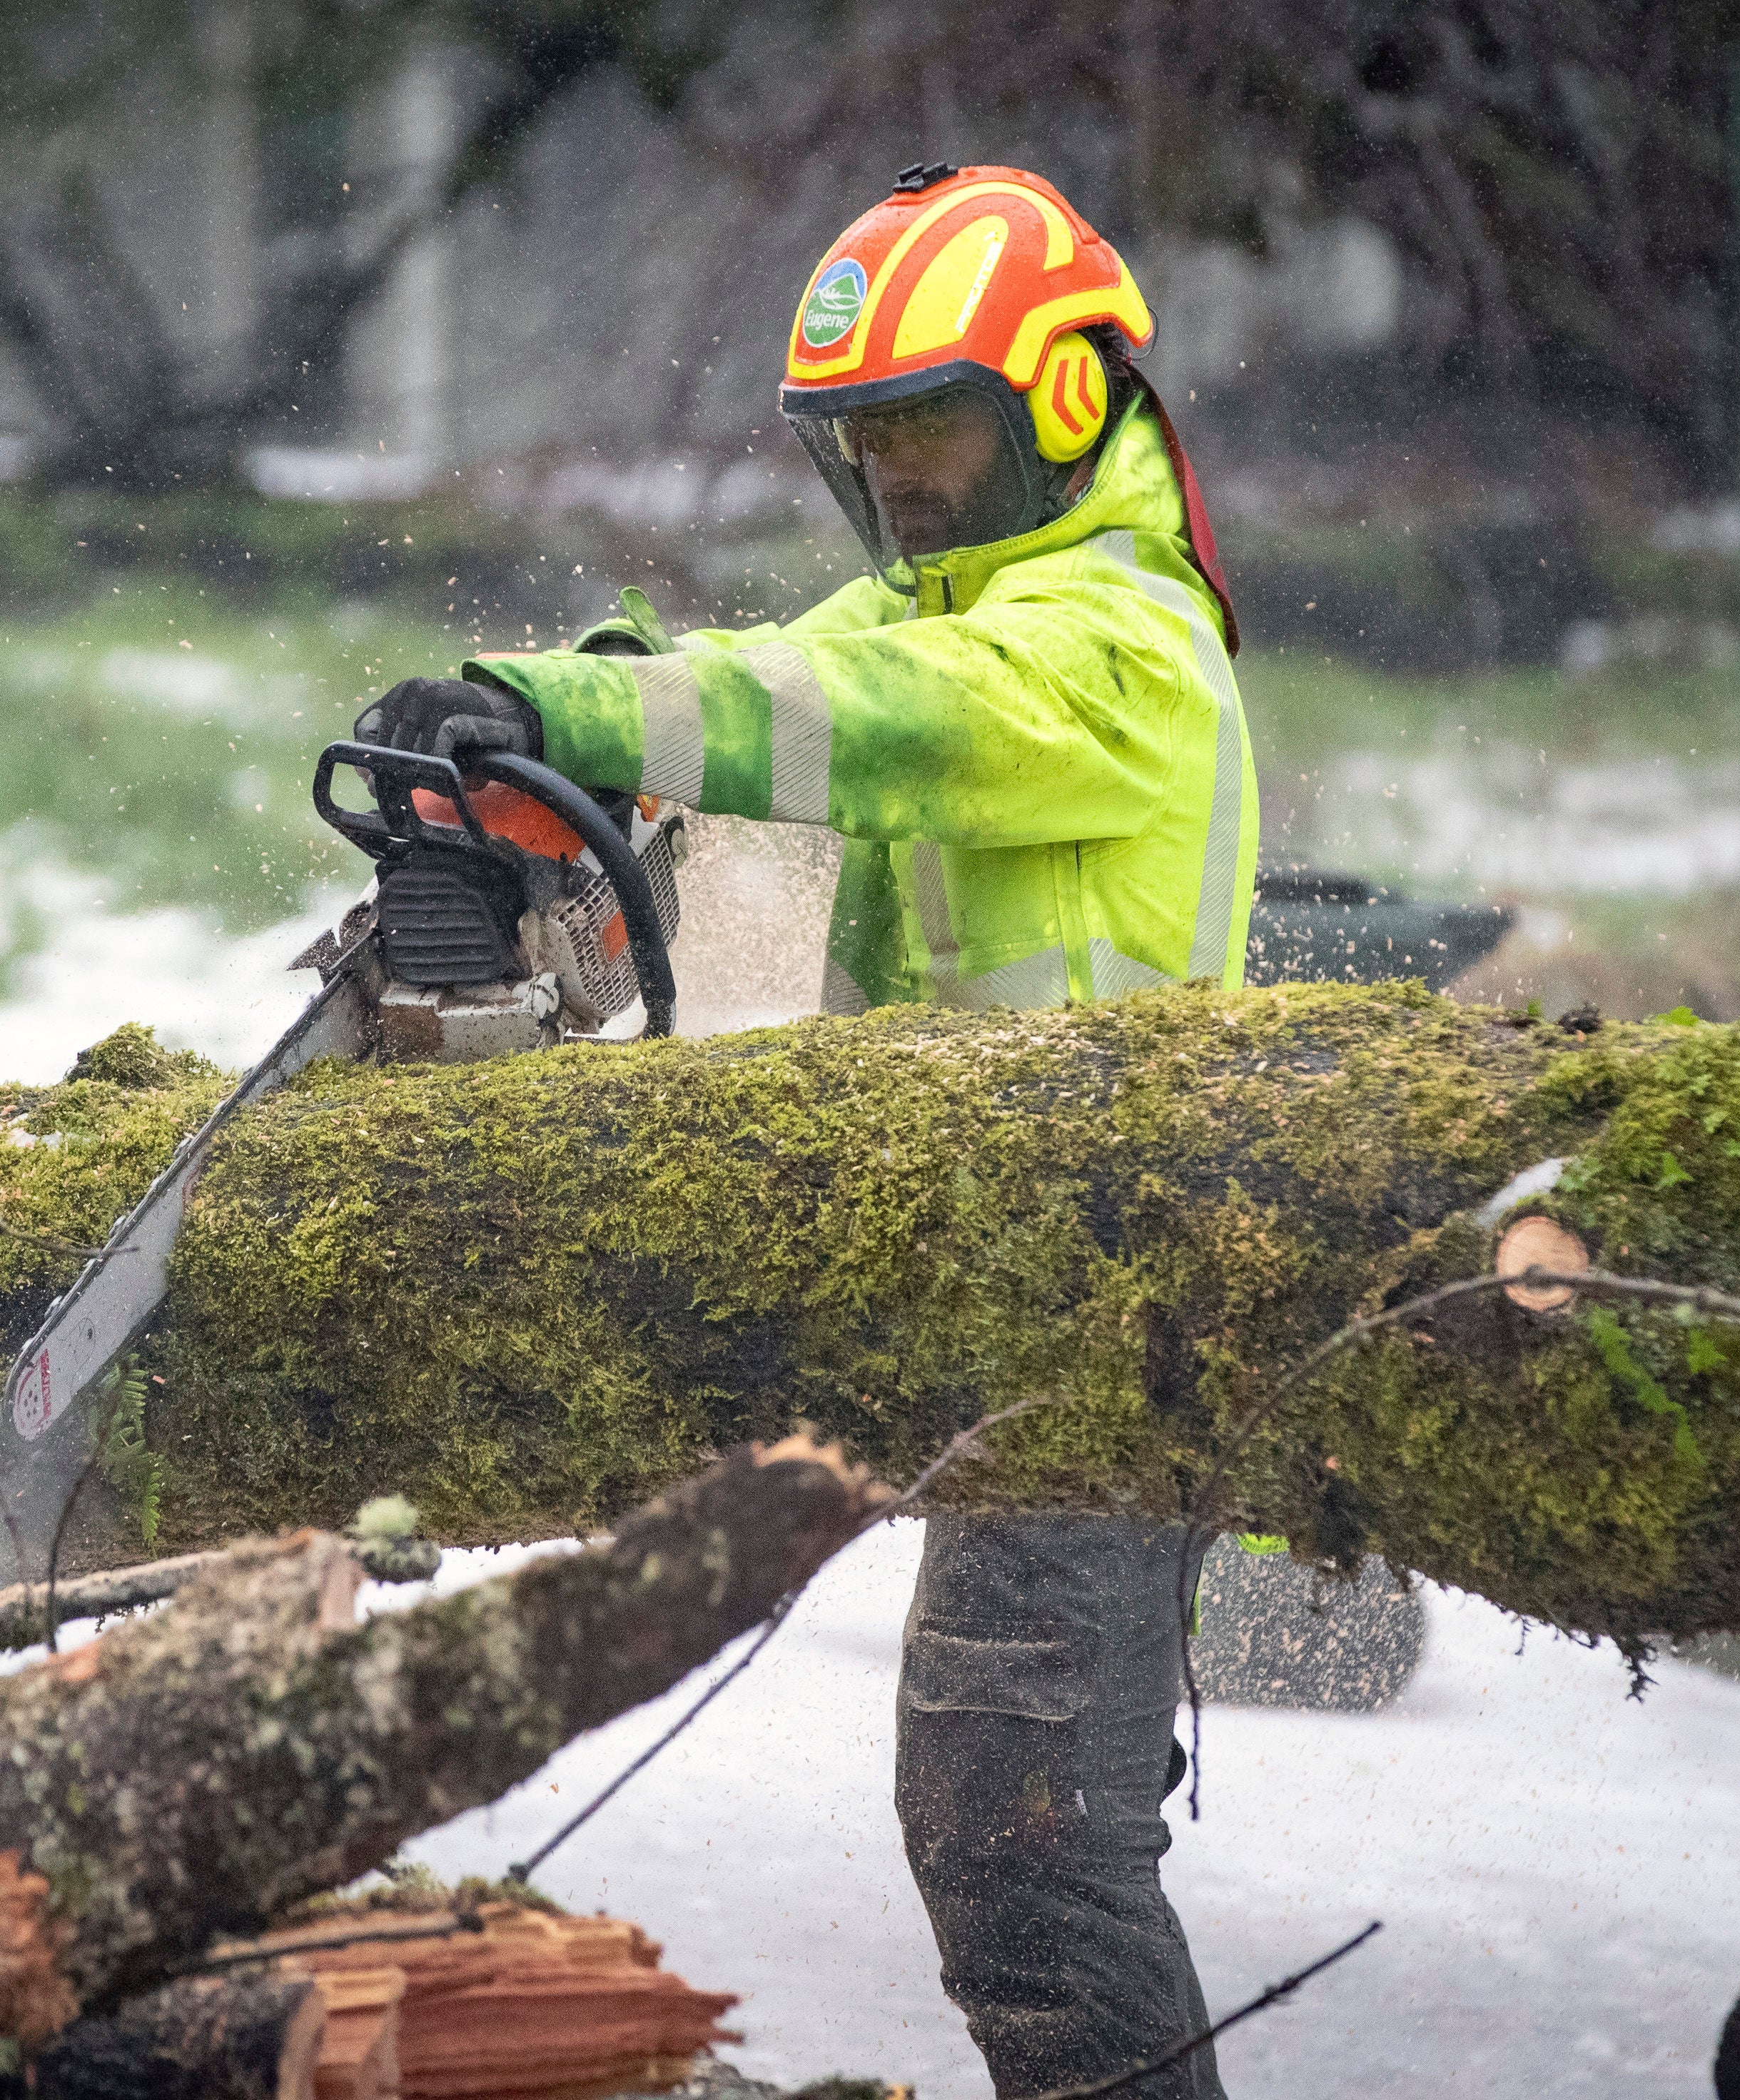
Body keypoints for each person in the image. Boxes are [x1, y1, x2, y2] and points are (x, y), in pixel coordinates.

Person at [355, 162, 1255, 2098]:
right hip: (958, 1264)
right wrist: (555, 806)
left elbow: (860, 716)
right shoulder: (897, 627)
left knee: (1030, 1852)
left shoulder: (1124, 644)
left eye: (934, 433)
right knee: (1003, 1838)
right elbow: (763, 897)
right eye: (872, 448)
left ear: (1071, 400)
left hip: (1125, 1297)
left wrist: (564, 709)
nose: (906, 486)